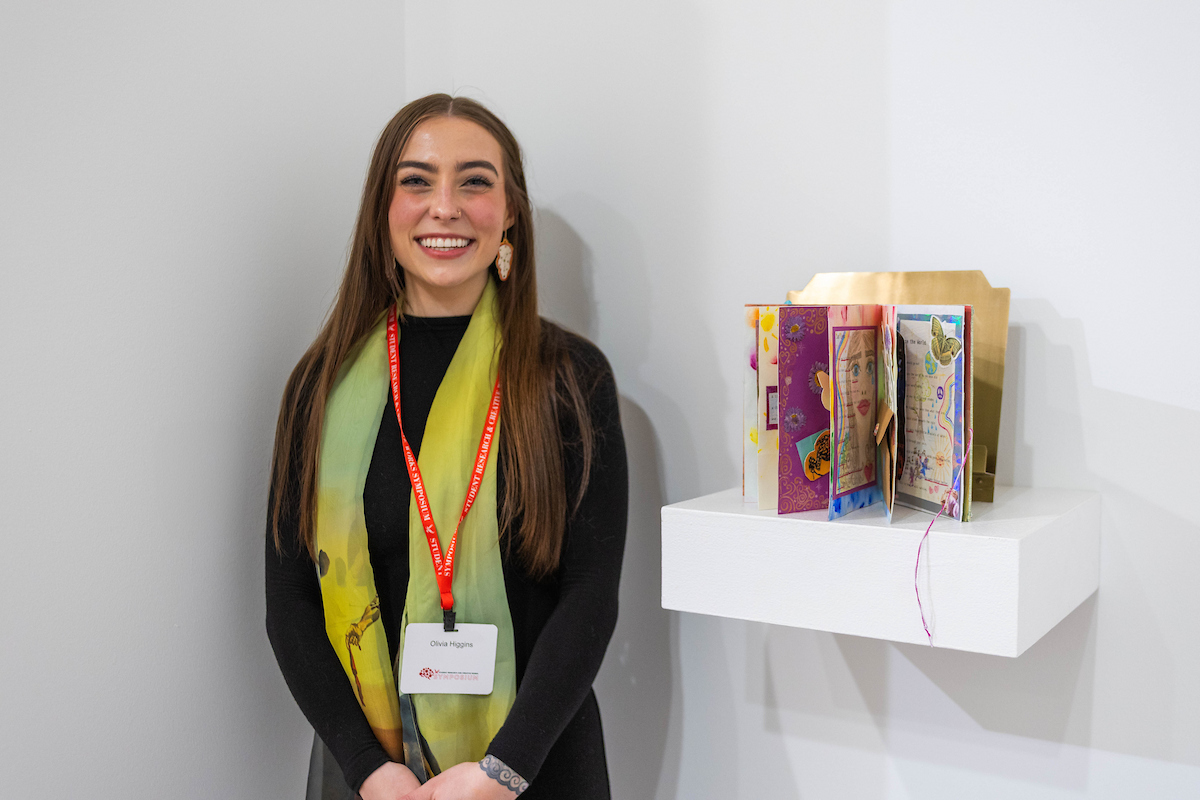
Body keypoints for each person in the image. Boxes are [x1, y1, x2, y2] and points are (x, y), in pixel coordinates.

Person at [265, 94, 628, 800]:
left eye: (475, 181)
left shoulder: (570, 378)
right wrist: (370, 770)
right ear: (383, 208)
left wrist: (501, 773)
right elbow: (289, 606)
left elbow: (590, 599)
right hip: (372, 774)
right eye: (416, 180)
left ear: (510, 210)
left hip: (536, 764)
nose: (445, 206)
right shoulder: (320, 385)